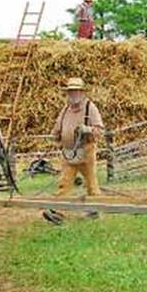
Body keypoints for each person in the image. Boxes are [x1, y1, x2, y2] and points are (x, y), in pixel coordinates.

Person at [43, 77, 105, 225]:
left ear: (82, 92)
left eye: (76, 91)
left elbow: (100, 130)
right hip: (69, 153)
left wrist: (87, 129)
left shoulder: (90, 108)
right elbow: (58, 127)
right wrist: (55, 136)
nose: (73, 94)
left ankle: (95, 209)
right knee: (64, 182)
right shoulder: (66, 109)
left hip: (86, 152)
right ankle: (58, 212)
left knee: (91, 183)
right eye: (71, 91)